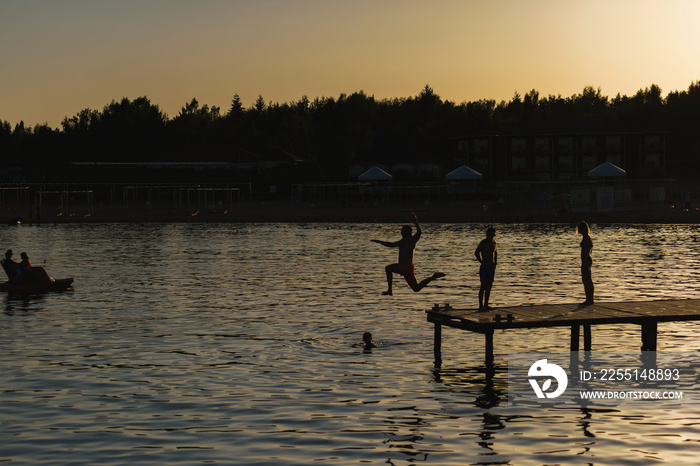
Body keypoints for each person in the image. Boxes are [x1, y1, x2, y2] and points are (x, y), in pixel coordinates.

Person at [371, 213, 445, 295]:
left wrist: (415, 220)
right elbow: (391, 244)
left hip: (406, 266)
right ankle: (433, 277)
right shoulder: (402, 241)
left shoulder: (411, 240)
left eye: (403, 231)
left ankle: (389, 290)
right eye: (401, 231)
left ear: (408, 232)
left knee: (388, 268)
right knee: (416, 288)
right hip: (406, 269)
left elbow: (419, 232)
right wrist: (379, 242)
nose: (401, 232)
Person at [474, 227, 497, 311]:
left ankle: (486, 305)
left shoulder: (494, 243)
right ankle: (480, 306)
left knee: (489, 287)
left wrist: (495, 263)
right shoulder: (483, 242)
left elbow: (495, 253)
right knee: (483, 286)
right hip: (485, 267)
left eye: (493, 233)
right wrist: (481, 262)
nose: (493, 235)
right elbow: (476, 252)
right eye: (491, 233)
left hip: (491, 267)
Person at [576, 221, 594, 305]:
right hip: (586, 260)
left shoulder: (586, 238)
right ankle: (589, 299)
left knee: (587, 280)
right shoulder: (586, 237)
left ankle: (589, 299)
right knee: (586, 280)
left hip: (586, 260)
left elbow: (586, 250)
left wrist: (584, 260)